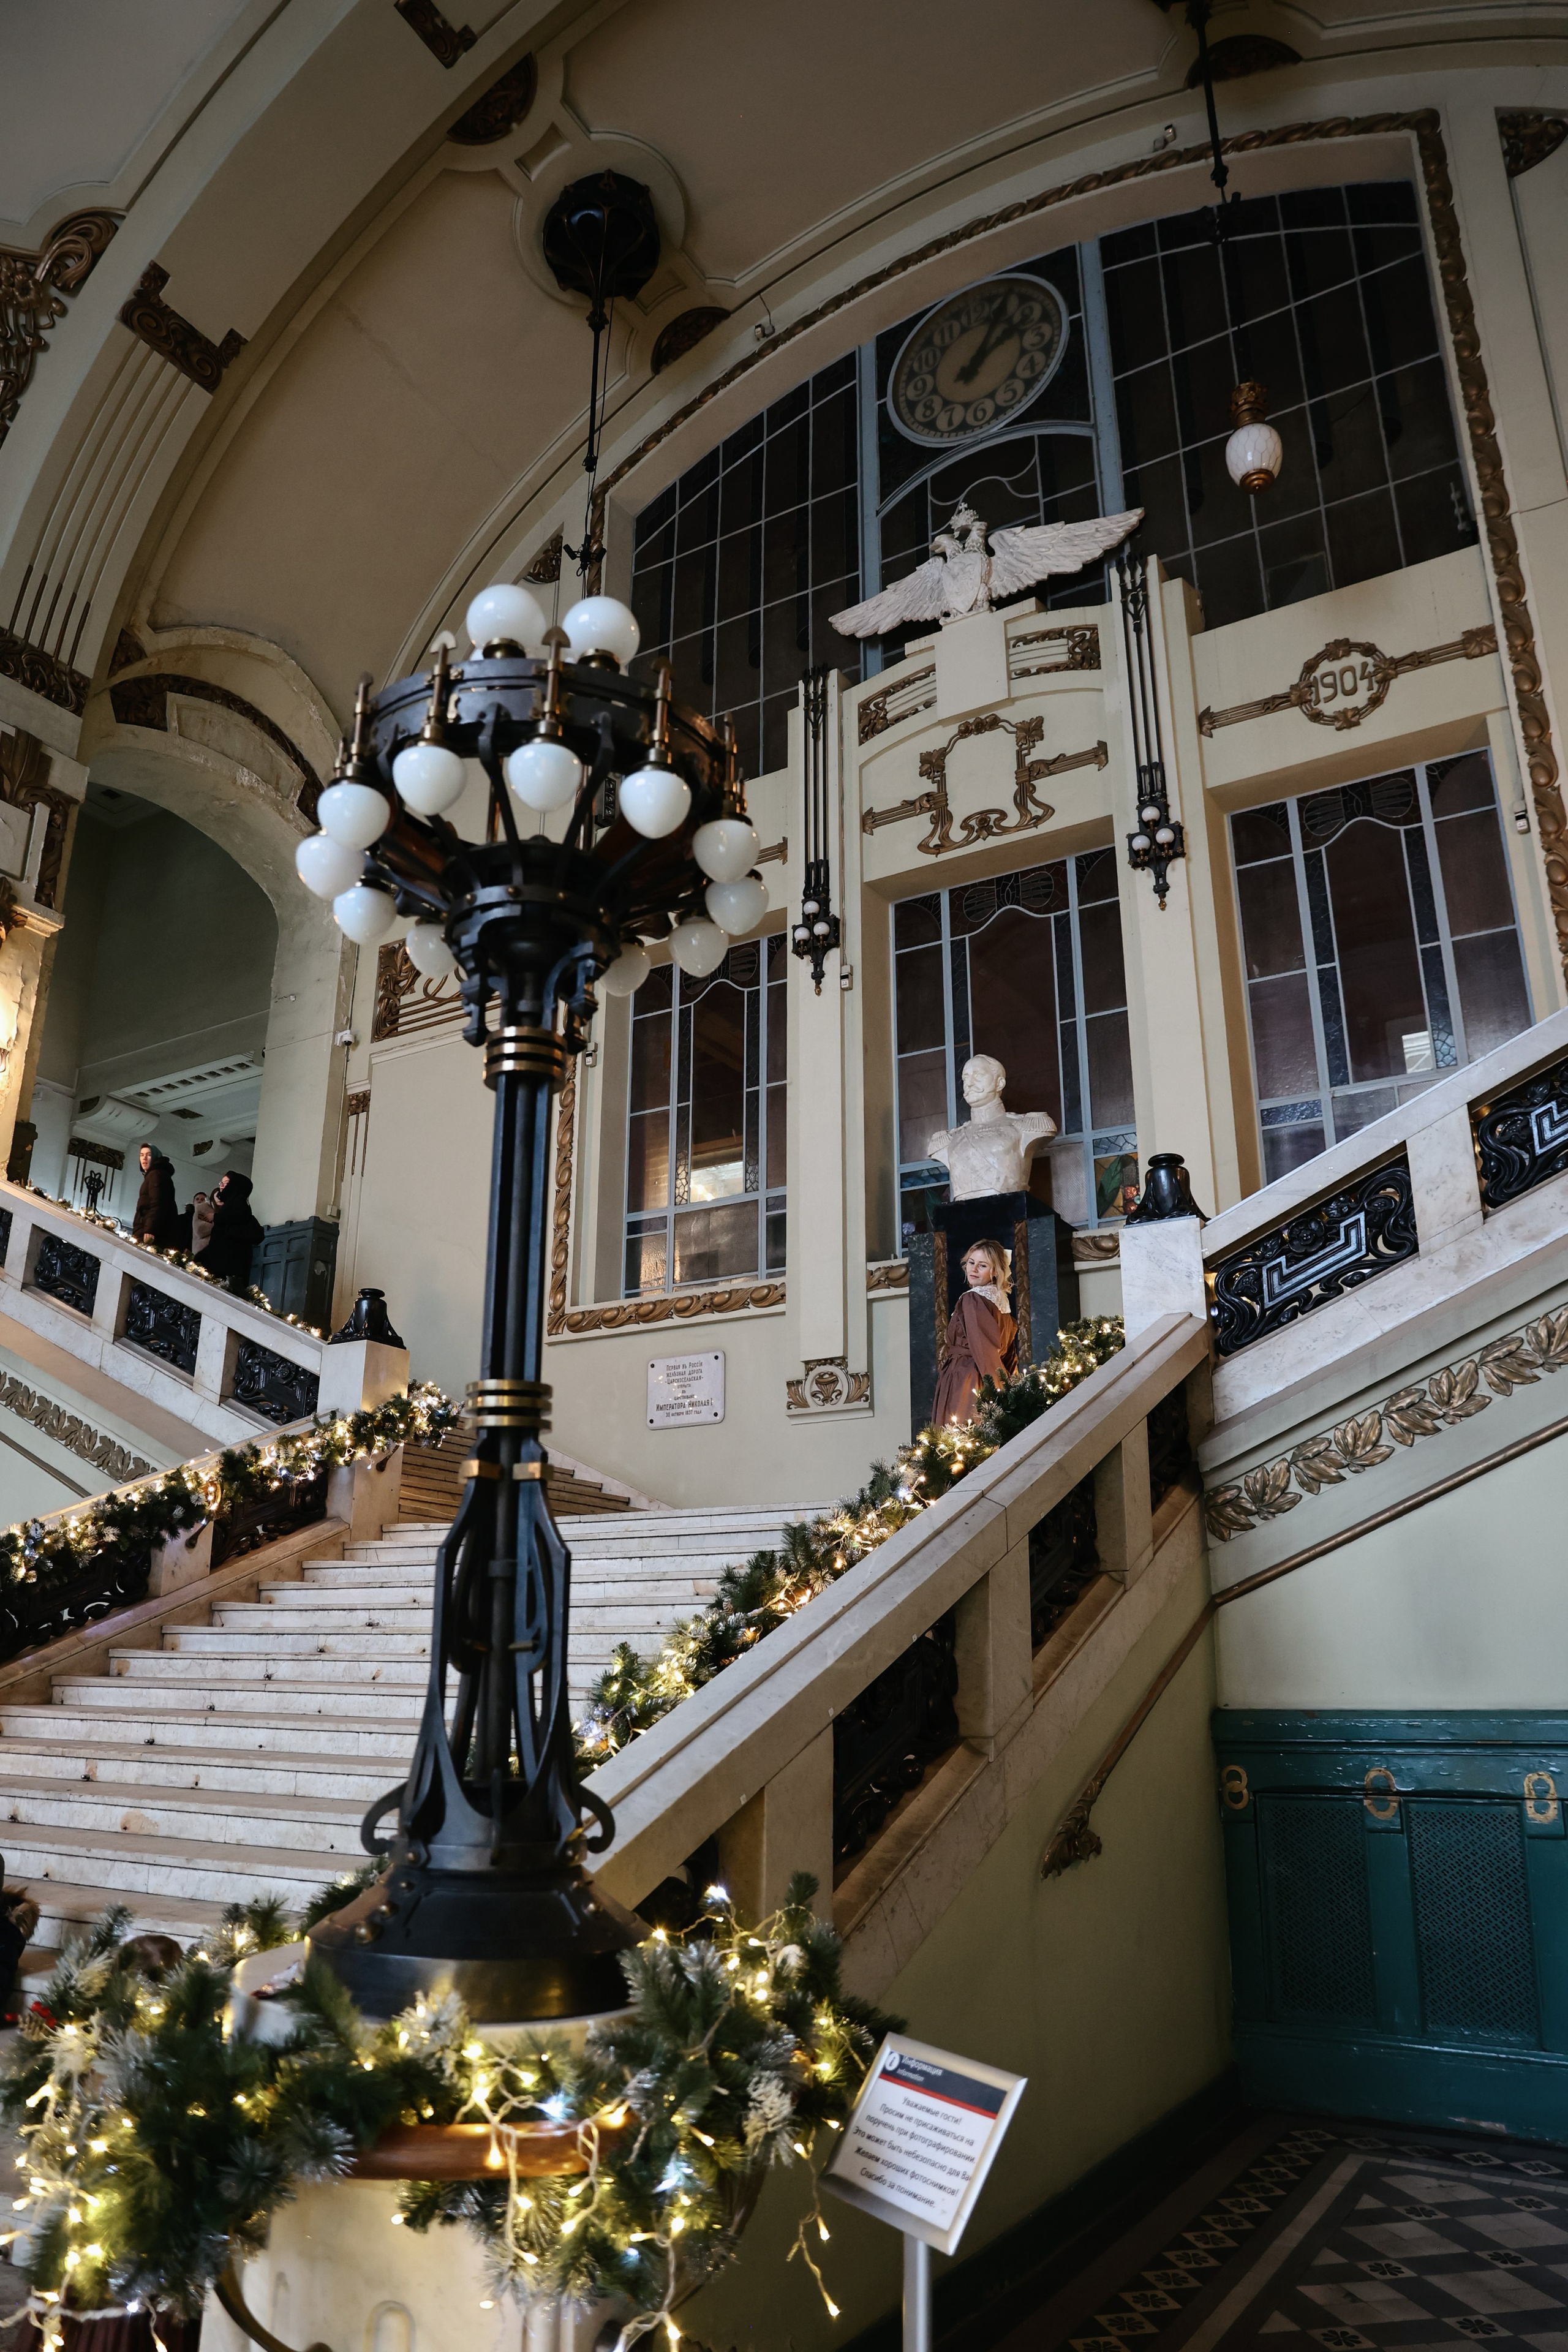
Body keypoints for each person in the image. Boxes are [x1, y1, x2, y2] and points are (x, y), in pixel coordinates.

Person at [932, 1237, 1017, 1428]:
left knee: (960, 1440)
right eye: (971, 1263)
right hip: (983, 1376)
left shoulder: (973, 1300)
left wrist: (1001, 1395)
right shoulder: (1001, 1302)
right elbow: (1009, 1356)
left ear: (995, 1271)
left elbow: (984, 1350)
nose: (974, 1269)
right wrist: (1012, 1386)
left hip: (967, 1378)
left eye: (982, 1265)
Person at [195, 1170, 264, 1295]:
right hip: (225, 1262)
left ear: (235, 1185)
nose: (222, 1185)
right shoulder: (231, 1203)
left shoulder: (238, 1201)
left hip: (229, 1264)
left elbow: (237, 1217)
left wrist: (216, 1218)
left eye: (227, 1183)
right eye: (222, 1182)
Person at [130, 1143, 179, 1250]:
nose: (144, 1158)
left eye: (148, 1155)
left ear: (155, 1157)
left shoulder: (156, 1174)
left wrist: (150, 1229)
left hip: (150, 1234)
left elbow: (158, 1203)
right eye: (142, 1155)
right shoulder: (156, 1175)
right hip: (150, 1229)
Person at [190, 1189, 217, 1253]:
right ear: (193, 1202)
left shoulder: (212, 1214)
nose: (199, 1201)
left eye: (202, 1199)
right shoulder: (184, 1218)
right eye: (197, 1199)